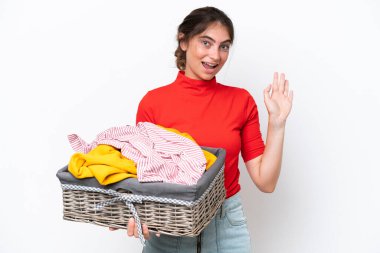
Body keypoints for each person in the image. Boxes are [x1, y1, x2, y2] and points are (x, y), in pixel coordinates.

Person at [111, 6, 293, 253]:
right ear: (183, 41)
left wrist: (277, 123)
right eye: (206, 43)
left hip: (226, 228)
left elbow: (266, 181)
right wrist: (131, 211)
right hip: (169, 226)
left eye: (224, 46)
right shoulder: (153, 103)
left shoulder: (241, 101)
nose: (215, 55)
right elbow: (141, 173)